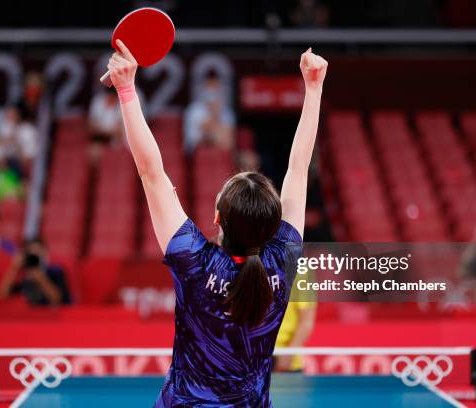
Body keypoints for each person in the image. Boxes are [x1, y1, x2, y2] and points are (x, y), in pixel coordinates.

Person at [107, 41, 327, 405]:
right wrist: (314, 89)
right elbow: (299, 170)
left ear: (216, 219)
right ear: (273, 226)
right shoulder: (282, 262)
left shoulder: (194, 260)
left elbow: (151, 173)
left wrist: (127, 89)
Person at [0, 238, 71, 306]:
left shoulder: (56, 271)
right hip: (32, 316)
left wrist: (40, 278)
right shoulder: (24, 276)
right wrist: (14, 268)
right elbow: (3, 294)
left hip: (55, 316)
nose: (35, 258)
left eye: (39, 253)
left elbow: (57, 300)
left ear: (46, 253)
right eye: (32, 254)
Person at [183, 73, 236, 153]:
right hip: (194, 151)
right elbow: (206, 130)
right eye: (210, 89)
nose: (213, 93)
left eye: (216, 89)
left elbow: (229, 138)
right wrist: (214, 111)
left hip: (220, 148)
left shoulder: (227, 112)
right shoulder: (194, 109)